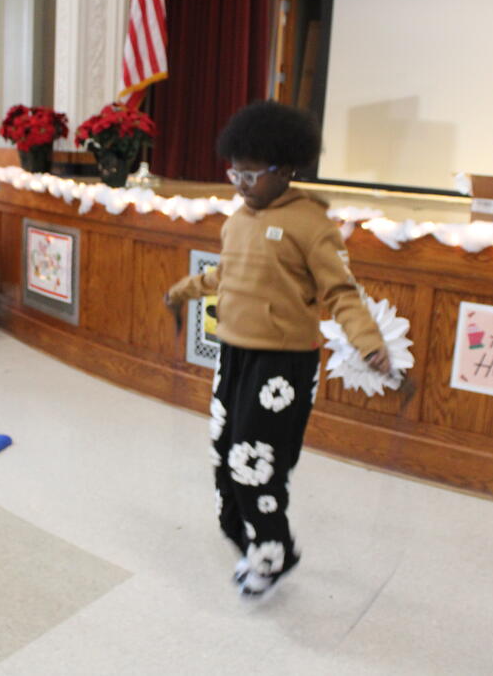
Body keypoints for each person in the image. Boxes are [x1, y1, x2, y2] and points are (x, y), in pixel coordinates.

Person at [164, 101, 391, 601]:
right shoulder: (238, 220)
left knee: (256, 462)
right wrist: (184, 290)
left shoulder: (310, 224)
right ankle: (246, 539)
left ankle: (274, 553)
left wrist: (368, 342)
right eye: (235, 174)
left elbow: (341, 292)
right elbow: (227, 274)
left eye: (252, 175)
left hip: (283, 365)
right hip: (234, 356)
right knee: (224, 456)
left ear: (286, 168)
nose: (242, 185)